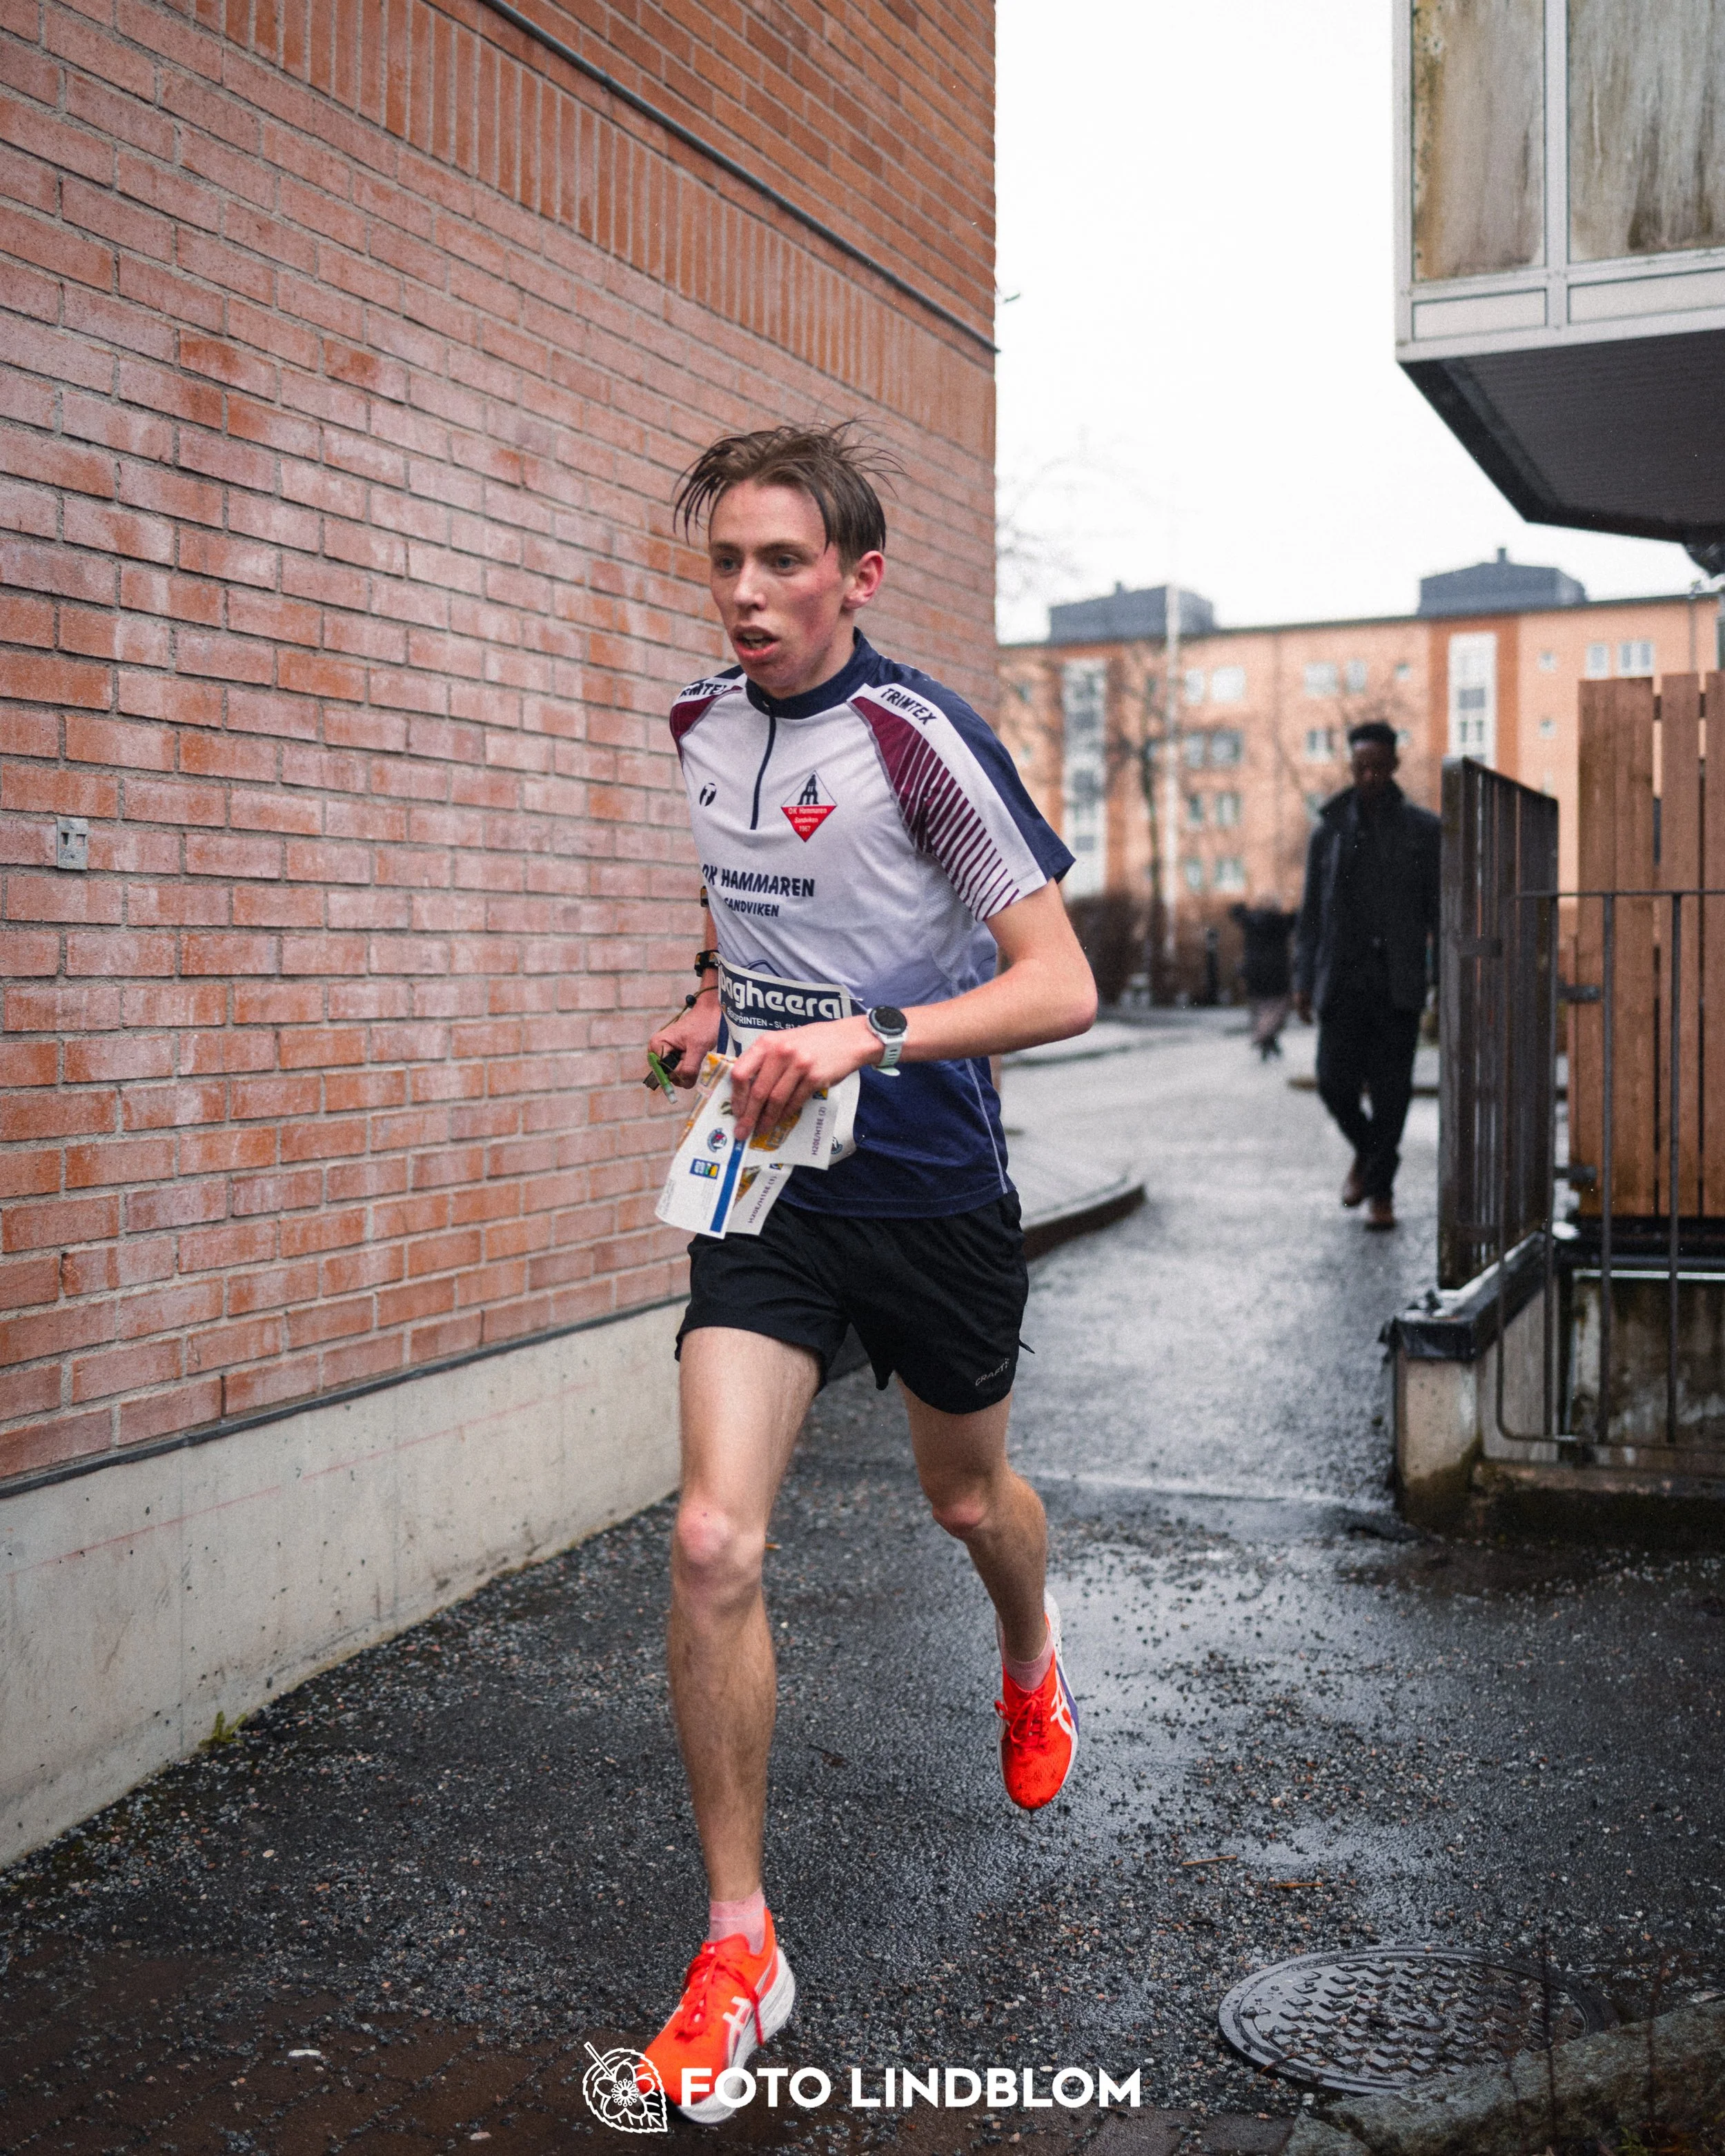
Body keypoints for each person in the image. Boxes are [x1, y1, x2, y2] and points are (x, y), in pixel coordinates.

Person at [638, 426, 1098, 2121]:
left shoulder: (919, 737)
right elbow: (747, 891)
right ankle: (740, 1945)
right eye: (726, 562)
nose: (746, 592)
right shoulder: (699, 723)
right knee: (711, 1536)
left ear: (857, 575)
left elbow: (1059, 983)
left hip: (929, 1192)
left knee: (965, 1499)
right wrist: (717, 994)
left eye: (781, 561)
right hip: (768, 1183)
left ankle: (1030, 1649)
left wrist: (867, 1033)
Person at [1292, 720, 1440, 1230]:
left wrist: (1440, 982)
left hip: (1397, 984)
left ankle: (1382, 1194)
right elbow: (1311, 916)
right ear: (1352, 767)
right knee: (1334, 1084)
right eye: (1362, 768)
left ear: (1395, 765)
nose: (1371, 777)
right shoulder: (1329, 832)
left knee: (1391, 1094)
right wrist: (1303, 980)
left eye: (1380, 767)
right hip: (1342, 982)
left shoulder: (1423, 831)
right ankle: (1373, 1156)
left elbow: (1439, 913)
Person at [1229, 898, 1297, 1058]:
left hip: (1254, 970)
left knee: (1258, 1007)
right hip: (1277, 970)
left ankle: (1267, 1038)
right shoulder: (1281, 922)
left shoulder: (1251, 921)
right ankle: (1264, 1035)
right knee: (1279, 1006)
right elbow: (1299, 918)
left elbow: (1236, 912)